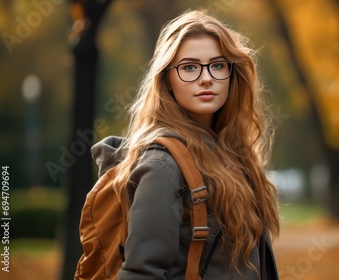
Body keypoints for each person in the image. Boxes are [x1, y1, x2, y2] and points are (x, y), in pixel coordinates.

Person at [90, 9, 280, 279]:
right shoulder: (162, 166)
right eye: (189, 67)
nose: (206, 77)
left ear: (231, 73)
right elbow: (141, 273)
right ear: (167, 80)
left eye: (217, 65)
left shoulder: (234, 153)